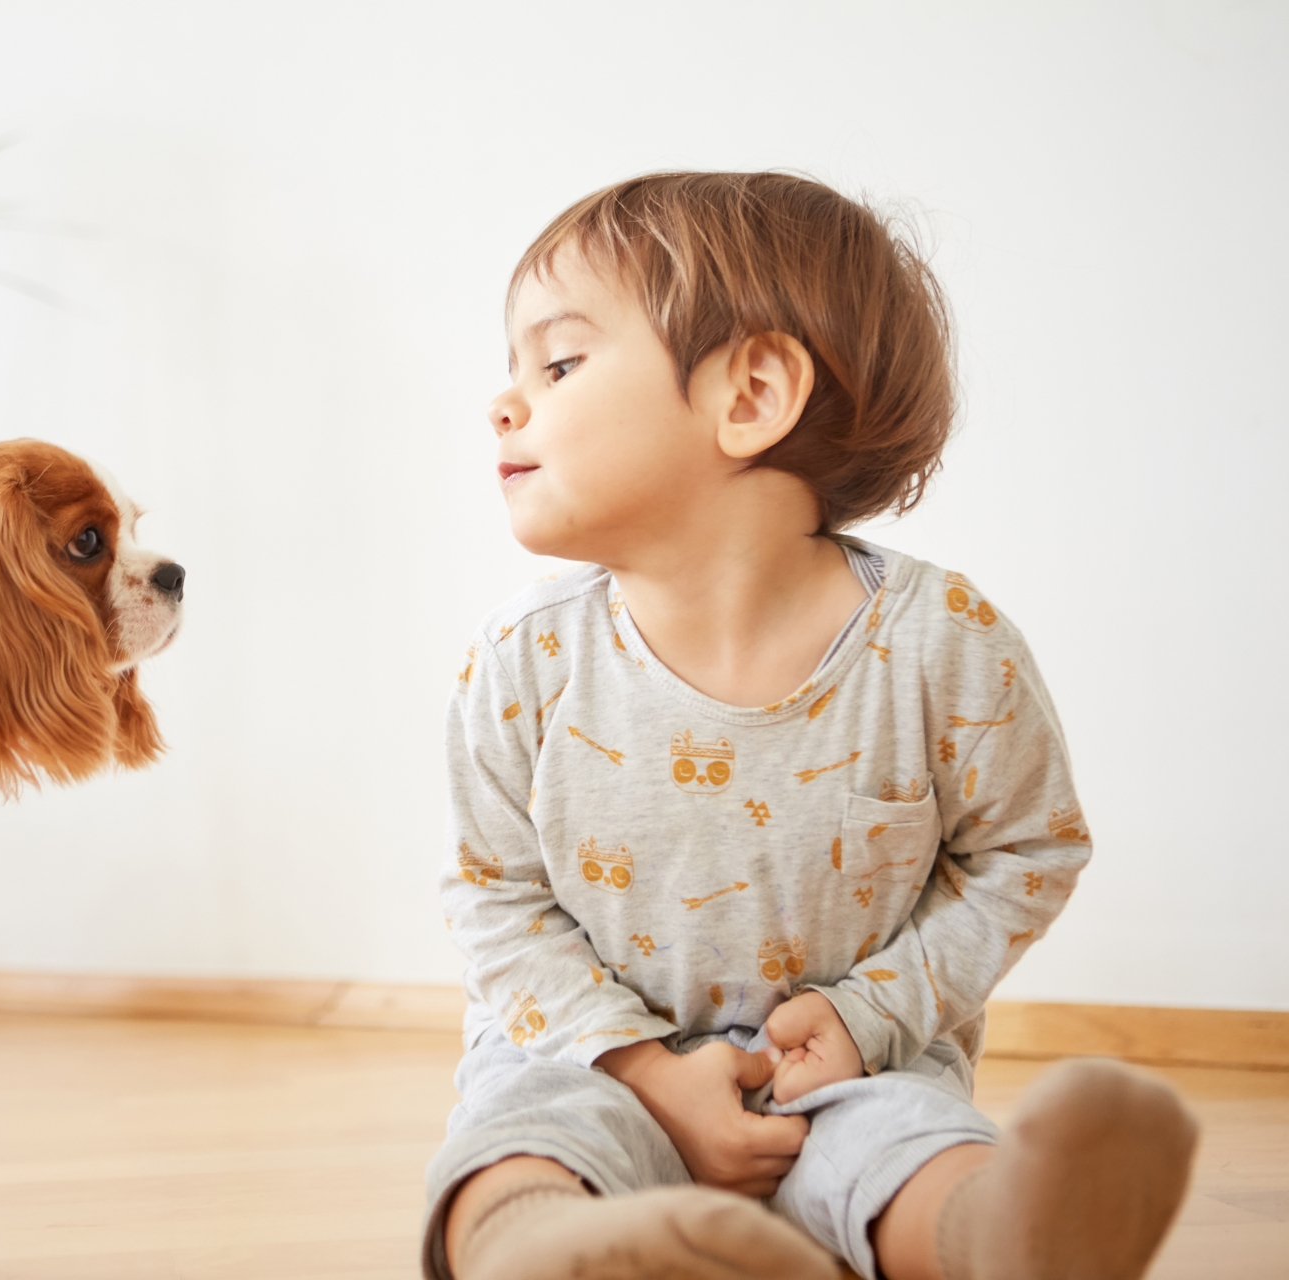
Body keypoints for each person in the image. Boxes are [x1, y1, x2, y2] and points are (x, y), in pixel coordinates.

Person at [427, 172, 1197, 1280]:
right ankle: (549, 1247)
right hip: (590, 1060)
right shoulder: (522, 662)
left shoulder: (948, 647)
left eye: (556, 363)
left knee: (905, 1142)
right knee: (519, 1140)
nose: (505, 403)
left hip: (842, 1071)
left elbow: (1028, 851)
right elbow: (492, 894)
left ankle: (1009, 1237)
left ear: (751, 394)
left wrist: (870, 1016)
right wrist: (639, 1065)